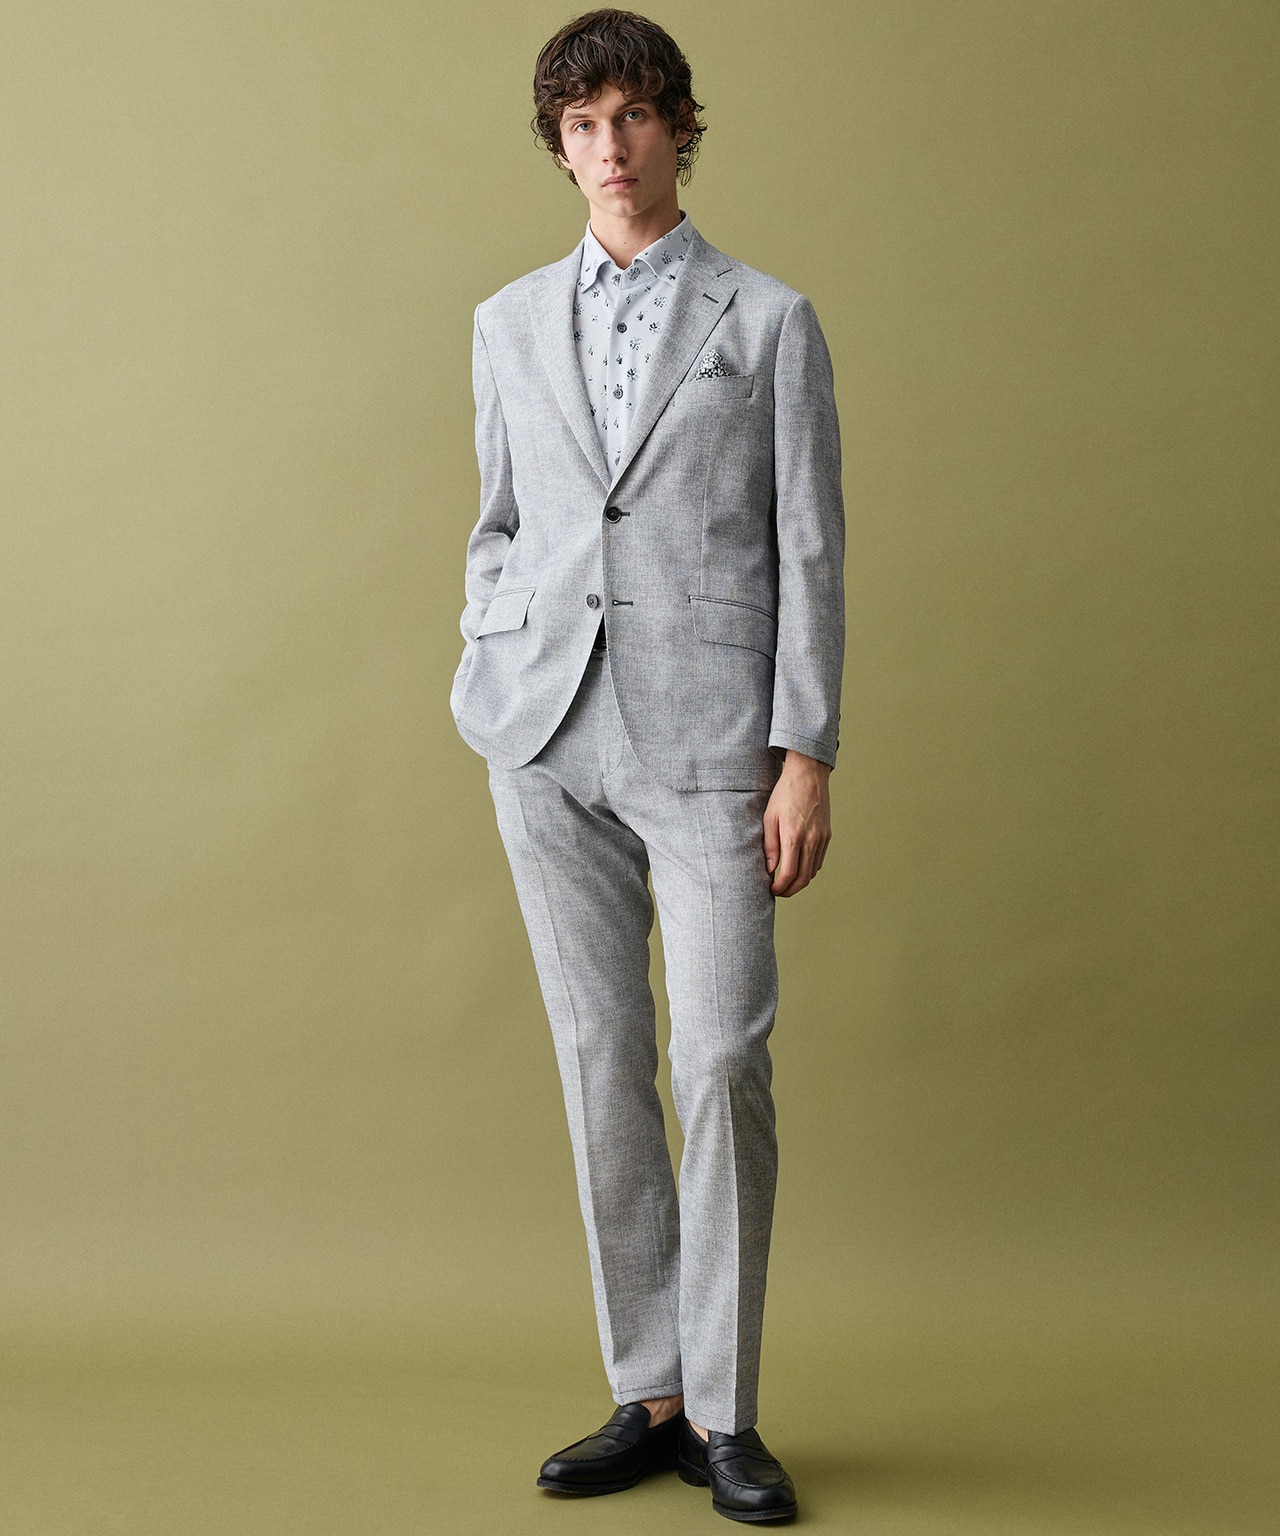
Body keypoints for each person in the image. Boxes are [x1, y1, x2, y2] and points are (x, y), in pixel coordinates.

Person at [450, 8, 844, 1523]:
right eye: (582, 125)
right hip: (545, 735)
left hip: (711, 741)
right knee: (600, 1057)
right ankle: (652, 1390)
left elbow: (810, 549)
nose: (610, 148)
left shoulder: (769, 321)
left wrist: (804, 751)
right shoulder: (503, 321)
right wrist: (494, 644)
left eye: (633, 116)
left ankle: (728, 1414)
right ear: (559, 150)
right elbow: (498, 519)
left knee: (719, 1055)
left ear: (678, 125)